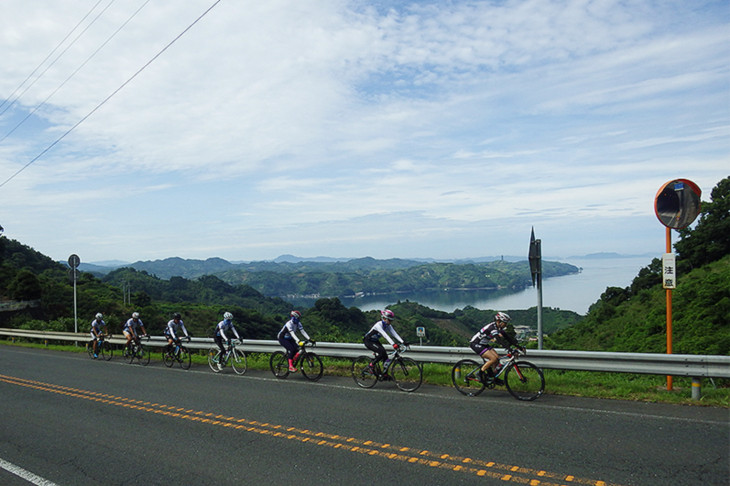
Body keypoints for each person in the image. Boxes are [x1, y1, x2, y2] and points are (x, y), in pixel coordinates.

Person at [469, 312, 524, 384]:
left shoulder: (499, 328)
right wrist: (509, 349)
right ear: (499, 321)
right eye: (505, 323)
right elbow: (499, 340)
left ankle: (493, 377)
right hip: (475, 343)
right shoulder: (492, 328)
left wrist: (519, 347)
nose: (506, 325)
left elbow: (508, 339)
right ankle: (479, 373)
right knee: (493, 359)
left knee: (497, 359)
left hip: (484, 344)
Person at [363, 309, 406, 375]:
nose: (390, 322)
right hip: (368, 341)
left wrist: (403, 342)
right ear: (384, 318)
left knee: (385, 356)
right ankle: (370, 366)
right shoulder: (378, 325)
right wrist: (393, 344)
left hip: (375, 341)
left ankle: (384, 374)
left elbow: (394, 334)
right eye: (389, 320)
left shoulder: (388, 326)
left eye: (391, 320)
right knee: (381, 353)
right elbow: (385, 335)